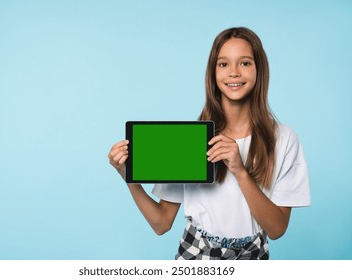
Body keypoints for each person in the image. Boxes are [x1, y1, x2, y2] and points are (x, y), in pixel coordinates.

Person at [108, 27, 310, 260]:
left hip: (254, 256)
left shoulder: (283, 139)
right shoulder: (189, 139)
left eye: (244, 63)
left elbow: (277, 229)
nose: (233, 73)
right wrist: (129, 177)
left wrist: (239, 170)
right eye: (223, 64)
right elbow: (161, 223)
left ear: (259, 70)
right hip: (195, 256)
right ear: (213, 73)